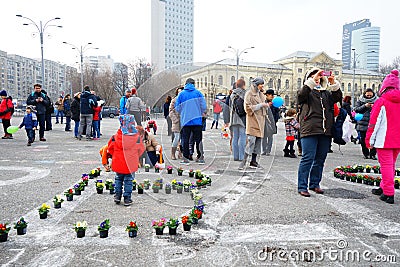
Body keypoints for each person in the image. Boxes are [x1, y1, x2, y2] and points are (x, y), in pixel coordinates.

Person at [297, 68, 342, 197]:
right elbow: (301, 96)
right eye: (313, 76)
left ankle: (315, 184)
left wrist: (333, 83)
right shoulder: (306, 92)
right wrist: (312, 80)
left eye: (319, 77)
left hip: (325, 131)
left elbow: (338, 98)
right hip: (309, 129)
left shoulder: (326, 93)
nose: (317, 79)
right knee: (307, 158)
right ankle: (302, 186)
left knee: (320, 159)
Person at [367, 69, 400, 204]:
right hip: (398, 139)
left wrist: (369, 139)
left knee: (385, 165)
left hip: (384, 139)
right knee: (391, 164)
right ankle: (384, 187)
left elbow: (374, 123)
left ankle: (388, 192)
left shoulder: (381, 101)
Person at [107, 114, 145, 206]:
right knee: (129, 180)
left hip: (118, 162)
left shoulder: (115, 137)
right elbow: (141, 149)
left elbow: (110, 148)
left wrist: (115, 155)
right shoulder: (137, 137)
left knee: (118, 179)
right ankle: (127, 198)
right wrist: (135, 156)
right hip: (130, 163)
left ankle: (117, 196)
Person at [174, 78, 207, 165]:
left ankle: (185, 158)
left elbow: (177, 107)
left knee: (185, 139)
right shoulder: (198, 93)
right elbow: (204, 107)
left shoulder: (181, 94)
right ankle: (200, 157)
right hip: (197, 121)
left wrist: (183, 112)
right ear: (193, 84)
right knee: (198, 139)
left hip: (186, 120)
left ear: (186, 84)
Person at [238, 77, 267, 170]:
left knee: (258, 142)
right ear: (256, 84)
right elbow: (247, 108)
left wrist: (266, 106)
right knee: (251, 141)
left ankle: (253, 161)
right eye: (260, 84)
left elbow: (264, 104)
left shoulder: (262, 94)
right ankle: (243, 162)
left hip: (261, 121)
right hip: (252, 121)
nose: (262, 86)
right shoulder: (249, 93)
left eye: (263, 84)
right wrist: (261, 105)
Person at [354, 88, 378, 159]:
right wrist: (365, 106)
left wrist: (375, 107)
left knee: (374, 139)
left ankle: (373, 154)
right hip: (363, 123)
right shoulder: (360, 100)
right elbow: (356, 109)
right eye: (368, 95)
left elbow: (382, 109)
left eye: (370, 96)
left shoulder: (377, 101)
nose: (369, 97)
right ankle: (366, 153)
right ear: (365, 94)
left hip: (373, 123)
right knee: (363, 140)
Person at [228, 79, 247, 161]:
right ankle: (241, 156)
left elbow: (229, 107)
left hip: (234, 119)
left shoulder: (232, 94)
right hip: (242, 118)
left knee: (235, 137)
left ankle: (235, 156)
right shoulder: (245, 93)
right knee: (242, 137)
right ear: (243, 85)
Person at [262, 89, 279, 156]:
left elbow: (277, 113)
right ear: (267, 95)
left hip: (272, 122)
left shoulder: (274, 103)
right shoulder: (264, 102)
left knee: (270, 137)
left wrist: (275, 121)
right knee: (264, 136)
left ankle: (268, 150)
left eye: (273, 95)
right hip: (265, 121)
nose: (272, 97)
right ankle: (264, 149)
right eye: (271, 95)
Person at [169, 86, 183, 160]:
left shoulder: (185, 100)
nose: (180, 93)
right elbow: (170, 111)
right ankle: (173, 154)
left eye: (181, 92)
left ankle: (181, 153)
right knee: (177, 138)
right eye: (178, 92)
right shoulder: (174, 100)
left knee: (183, 139)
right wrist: (175, 120)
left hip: (184, 121)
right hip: (177, 122)